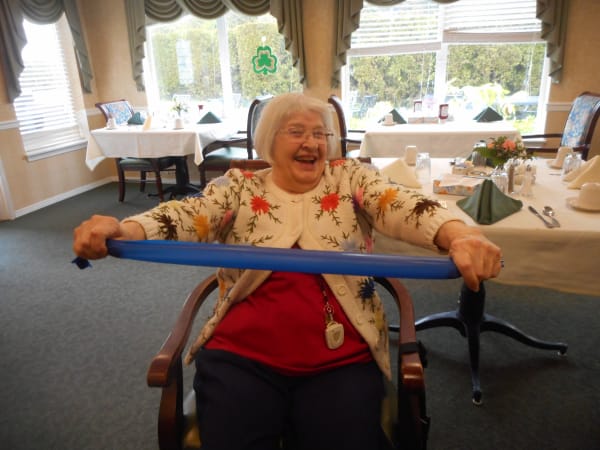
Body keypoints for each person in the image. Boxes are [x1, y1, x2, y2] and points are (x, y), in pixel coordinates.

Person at [73, 93, 502, 449]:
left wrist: (458, 235)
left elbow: (402, 203)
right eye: (296, 132)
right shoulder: (239, 188)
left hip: (342, 359)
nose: (311, 142)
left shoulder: (351, 178)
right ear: (269, 142)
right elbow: (189, 214)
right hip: (241, 358)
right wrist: (124, 228)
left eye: (319, 133)